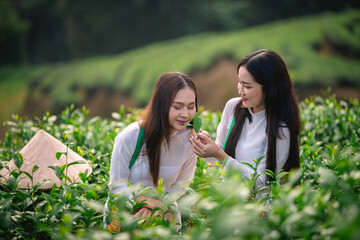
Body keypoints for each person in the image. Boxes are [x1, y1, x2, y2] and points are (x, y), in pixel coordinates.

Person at [190, 49, 301, 190]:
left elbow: (262, 181)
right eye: (239, 82)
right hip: (228, 200)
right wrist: (206, 146)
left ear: (270, 88)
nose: (240, 90)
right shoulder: (233, 108)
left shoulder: (280, 128)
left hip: (257, 208)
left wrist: (219, 154)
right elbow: (216, 159)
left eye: (247, 86)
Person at [107, 72, 198, 231]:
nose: (185, 114)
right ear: (161, 105)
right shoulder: (131, 136)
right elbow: (117, 185)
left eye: (191, 106)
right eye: (177, 107)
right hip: (126, 216)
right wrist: (143, 203)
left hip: (165, 216)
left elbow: (181, 185)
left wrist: (160, 206)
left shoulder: (189, 141)